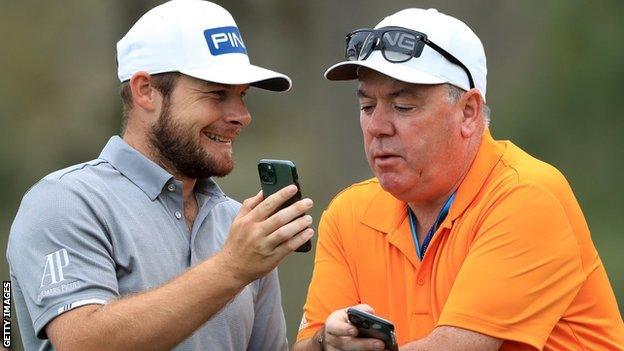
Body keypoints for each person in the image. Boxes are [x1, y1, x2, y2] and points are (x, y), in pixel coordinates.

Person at [294, 8, 624, 351]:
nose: (377, 126)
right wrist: (324, 342)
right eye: (367, 107)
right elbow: (305, 344)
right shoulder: (349, 213)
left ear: (469, 112)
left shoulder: (527, 195)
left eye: (403, 106)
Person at [7, 1, 314, 350]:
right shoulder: (64, 201)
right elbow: (81, 341)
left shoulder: (240, 225)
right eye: (218, 94)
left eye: (242, 96)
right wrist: (231, 269)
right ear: (145, 91)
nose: (242, 115)